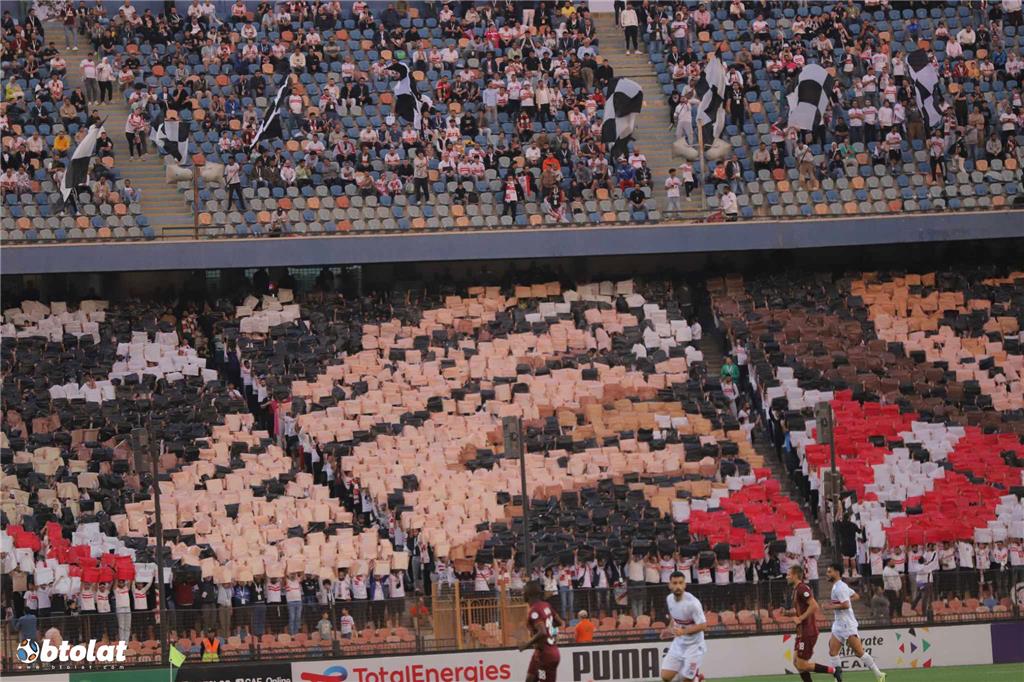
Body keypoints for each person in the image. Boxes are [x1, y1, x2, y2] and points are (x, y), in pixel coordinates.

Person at [824, 563, 886, 681]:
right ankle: (838, 680)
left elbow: (846, 605)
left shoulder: (840, 588)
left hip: (847, 625)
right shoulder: (839, 586)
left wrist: (830, 606)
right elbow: (856, 596)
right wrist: (844, 601)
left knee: (859, 652)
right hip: (838, 624)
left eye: (829, 571)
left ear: (837, 572)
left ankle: (879, 674)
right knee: (833, 652)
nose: (827, 574)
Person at [787, 565, 839, 682]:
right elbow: (800, 610)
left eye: (789, 574)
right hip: (801, 632)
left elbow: (814, 605)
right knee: (796, 662)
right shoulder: (796, 590)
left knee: (802, 664)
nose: (787, 577)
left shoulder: (802, 588)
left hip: (807, 631)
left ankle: (834, 670)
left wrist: (800, 618)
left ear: (795, 575)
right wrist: (786, 613)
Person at [659, 571, 707, 682]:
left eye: (681, 583)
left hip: (694, 646)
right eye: (675, 583)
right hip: (679, 644)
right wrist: (668, 629)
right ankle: (697, 679)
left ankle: (694, 678)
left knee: (686, 680)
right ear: (669, 585)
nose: (678, 586)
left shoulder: (693, 604)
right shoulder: (669, 599)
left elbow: (703, 625)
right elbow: (674, 617)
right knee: (665, 676)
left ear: (685, 585)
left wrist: (683, 631)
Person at [518, 580, 563, 682]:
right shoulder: (546, 605)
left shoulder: (534, 610)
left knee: (541, 678)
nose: (522, 593)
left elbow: (542, 632)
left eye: (524, 591)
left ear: (529, 594)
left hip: (545, 656)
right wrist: (549, 628)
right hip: (543, 653)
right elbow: (559, 622)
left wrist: (526, 645)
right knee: (530, 679)